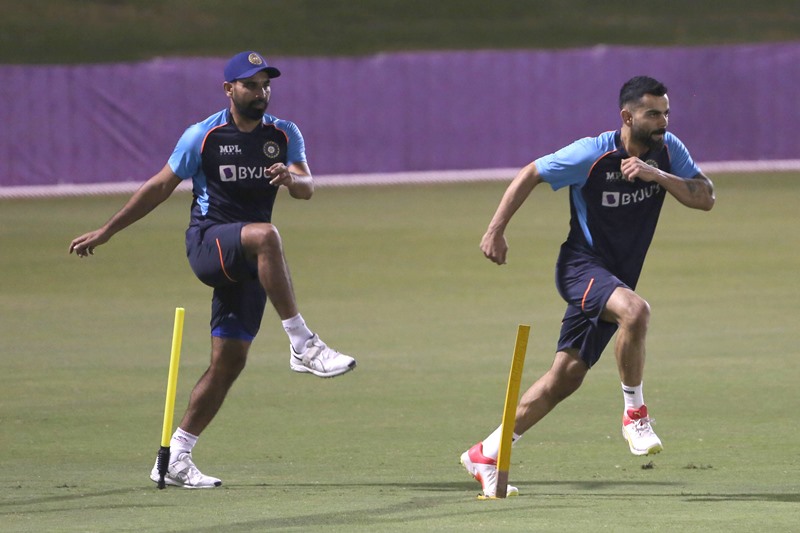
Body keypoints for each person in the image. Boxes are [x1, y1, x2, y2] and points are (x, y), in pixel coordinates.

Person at [69, 51, 357, 489]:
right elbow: (159, 186)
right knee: (268, 235)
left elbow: (307, 187)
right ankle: (303, 344)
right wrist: (108, 231)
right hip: (208, 243)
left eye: (265, 85)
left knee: (229, 362)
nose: (261, 92)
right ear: (229, 89)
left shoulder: (283, 134)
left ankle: (175, 458)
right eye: (251, 84)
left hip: (249, 262)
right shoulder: (202, 136)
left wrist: (289, 179)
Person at [460, 76, 715, 498]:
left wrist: (656, 175)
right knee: (636, 311)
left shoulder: (668, 152)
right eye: (653, 113)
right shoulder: (592, 154)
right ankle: (635, 415)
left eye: (666, 112)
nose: (663, 121)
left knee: (567, 376)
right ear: (627, 116)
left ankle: (487, 452)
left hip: (614, 279)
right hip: (581, 267)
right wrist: (495, 231)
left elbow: (705, 197)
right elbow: (532, 172)